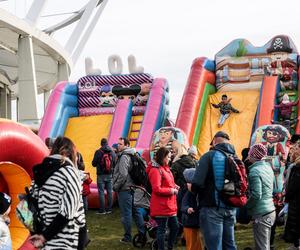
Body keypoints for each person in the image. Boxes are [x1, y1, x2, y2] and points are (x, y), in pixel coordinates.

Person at [29, 136, 87, 249]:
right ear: (68, 153)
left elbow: (30, 208)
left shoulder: (39, 173)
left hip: (45, 242)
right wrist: (45, 236)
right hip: (65, 241)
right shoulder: (70, 173)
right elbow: (67, 213)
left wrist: (39, 234)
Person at [190, 131, 237, 250]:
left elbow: (197, 182)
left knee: (214, 246)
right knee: (230, 245)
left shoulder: (209, 156)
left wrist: (191, 189)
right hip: (231, 206)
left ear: (215, 141)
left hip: (212, 207)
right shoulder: (235, 157)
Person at [112, 137, 145, 243]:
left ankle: (127, 237)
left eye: (120, 144)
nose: (118, 145)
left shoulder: (124, 157)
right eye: (118, 144)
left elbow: (123, 174)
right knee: (135, 212)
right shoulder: (133, 154)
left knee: (126, 214)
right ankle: (142, 234)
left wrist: (116, 186)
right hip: (132, 187)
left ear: (127, 145)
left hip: (125, 188)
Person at [147, 147, 179, 250]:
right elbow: (156, 189)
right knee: (162, 229)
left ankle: (169, 247)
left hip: (169, 205)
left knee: (175, 227)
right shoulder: (155, 170)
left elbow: (168, 182)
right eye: (168, 157)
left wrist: (174, 185)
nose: (170, 159)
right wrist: (171, 191)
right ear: (163, 157)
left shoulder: (165, 168)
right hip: (161, 206)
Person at [246, 143, 276, 250]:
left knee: (262, 247)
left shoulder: (254, 171)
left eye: (250, 154)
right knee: (265, 244)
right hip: (271, 210)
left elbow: (256, 195)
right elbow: (273, 188)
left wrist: (246, 206)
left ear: (253, 155)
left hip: (261, 213)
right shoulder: (268, 168)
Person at [283, 135, 300, 249]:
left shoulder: (297, 168)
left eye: (295, 148)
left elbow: (293, 187)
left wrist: (286, 197)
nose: (292, 150)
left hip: (296, 204)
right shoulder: (295, 167)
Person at [181, 168, 204, 250]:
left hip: (196, 222)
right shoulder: (188, 193)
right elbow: (183, 205)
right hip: (189, 222)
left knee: (197, 242)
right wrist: (187, 209)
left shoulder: (197, 192)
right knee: (191, 244)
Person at [92, 138, 116, 214]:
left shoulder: (98, 152)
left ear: (101, 144)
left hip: (100, 175)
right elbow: (115, 163)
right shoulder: (112, 152)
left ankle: (102, 210)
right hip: (109, 174)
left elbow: (94, 164)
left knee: (101, 192)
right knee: (110, 192)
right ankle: (109, 209)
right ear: (107, 143)